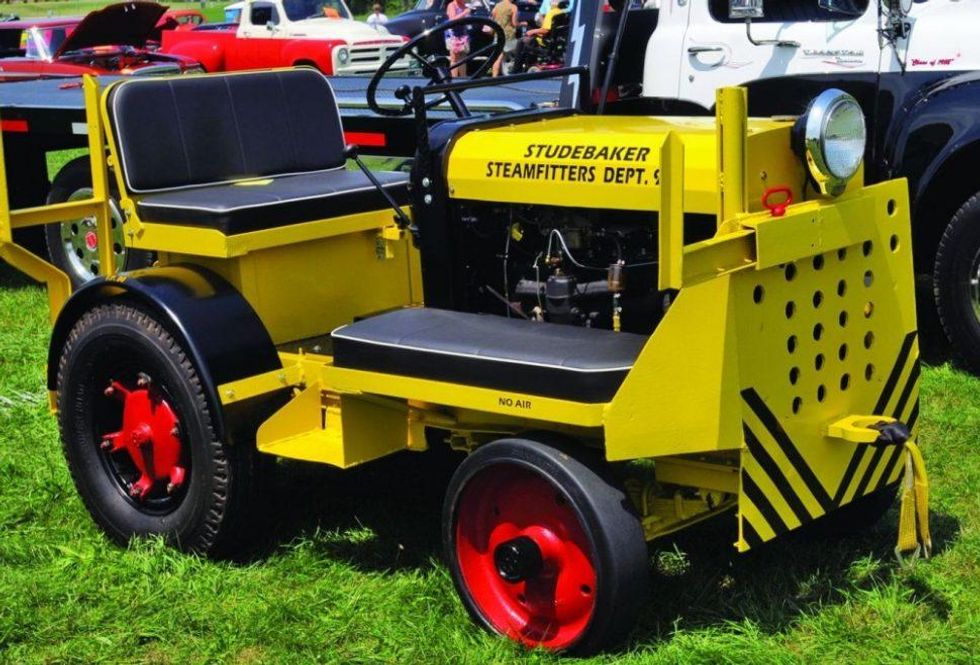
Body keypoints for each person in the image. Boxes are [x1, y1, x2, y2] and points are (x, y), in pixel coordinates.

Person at [490, 0, 521, 76]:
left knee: (498, 56)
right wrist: (523, 23)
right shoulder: (513, 7)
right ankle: (509, 74)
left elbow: (492, 18)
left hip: (498, 33)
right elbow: (514, 23)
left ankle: (494, 76)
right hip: (508, 35)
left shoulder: (497, 6)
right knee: (512, 54)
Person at [445, 0, 470, 76]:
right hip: (453, 34)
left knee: (463, 57)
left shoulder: (464, 5)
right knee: (454, 58)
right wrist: (465, 13)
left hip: (463, 33)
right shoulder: (452, 5)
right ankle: (454, 80)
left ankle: (463, 78)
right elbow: (453, 19)